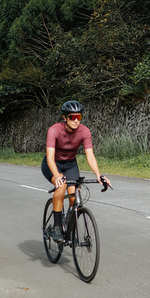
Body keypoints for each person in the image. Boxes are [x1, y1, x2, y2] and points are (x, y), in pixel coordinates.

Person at [41, 100, 111, 242]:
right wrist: (57, 175)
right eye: (73, 117)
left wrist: (98, 175)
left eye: (79, 117)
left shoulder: (84, 131)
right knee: (61, 186)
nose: (76, 120)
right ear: (65, 118)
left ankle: (68, 220)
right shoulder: (54, 130)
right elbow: (49, 157)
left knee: (74, 196)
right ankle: (56, 226)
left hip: (70, 164)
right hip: (53, 164)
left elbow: (90, 156)